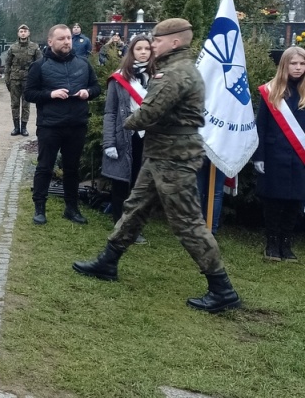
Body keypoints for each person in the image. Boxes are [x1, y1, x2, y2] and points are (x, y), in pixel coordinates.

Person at [73, 18, 242, 314]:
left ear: (175, 41)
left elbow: (147, 113)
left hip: (173, 158)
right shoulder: (179, 69)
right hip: (162, 153)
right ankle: (108, 261)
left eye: (158, 40)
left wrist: (127, 122)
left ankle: (222, 288)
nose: (153, 45)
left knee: (187, 222)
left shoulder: (174, 73)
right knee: (135, 207)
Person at [24, 24, 101, 225]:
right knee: (45, 167)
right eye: (61, 38)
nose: (67, 41)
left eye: (68, 38)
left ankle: (71, 208)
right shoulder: (39, 66)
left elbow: (96, 87)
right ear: (50, 42)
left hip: (76, 124)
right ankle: (39, 208)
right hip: (50, 125)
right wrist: (50, 94)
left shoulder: (83, 64)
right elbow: (29, 93)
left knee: (72, 168)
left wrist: (88, 93)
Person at [253, 46, 305, 262]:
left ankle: (286, 242)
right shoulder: (271, 91)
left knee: (295, 200)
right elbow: (261, 126)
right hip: (275, 155)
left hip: (300, 157)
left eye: (302, 64)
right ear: (285, 65)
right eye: (294, 63)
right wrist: (259, 156)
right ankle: (272, 242)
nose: (298, 68)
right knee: (274, 201)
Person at [102, 34, 153, 243]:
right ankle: (120, 225)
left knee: (140, 187)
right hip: (125, 137)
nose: (143, 52)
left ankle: (135, 227)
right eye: (138, 48)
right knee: (122, 184)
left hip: (148, 138)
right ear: (131, 52)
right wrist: (109, 142)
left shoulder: (158, 76)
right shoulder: (120, 78)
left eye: (147, 49)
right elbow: (110, 112)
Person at [4, 24, 41, 136]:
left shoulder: (34, 47)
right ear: (18, 33)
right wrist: (7, 79)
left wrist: (37, 80)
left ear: (28, 33)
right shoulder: (13, 48)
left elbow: (39, 64)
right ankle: (16, 127)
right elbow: (7, 64)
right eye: (21, 31)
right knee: (14, 104)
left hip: (28, 80)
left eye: (25, 31)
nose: (23, 33)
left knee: (26, 104)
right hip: (15, 79)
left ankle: (24, 127)